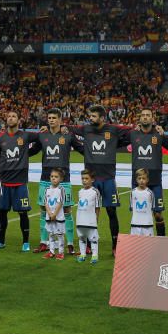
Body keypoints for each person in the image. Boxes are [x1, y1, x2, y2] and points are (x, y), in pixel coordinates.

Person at [65, 105, 131, 254]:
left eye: (94, 116)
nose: (91, 118)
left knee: (111, 211)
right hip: (91, 179)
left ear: (102, 118)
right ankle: (88, 245)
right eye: (91, 116)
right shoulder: (86, 129)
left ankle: (115, 246)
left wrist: (117, 143)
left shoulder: (113, 130)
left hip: (108, 178)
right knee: (89, 211)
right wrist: (63, 127)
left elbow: (130, 132)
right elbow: (71, 129)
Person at [33, 108, 82, 254]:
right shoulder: (42, 135)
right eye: (49, 118)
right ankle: (44, 242)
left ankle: (70, 244)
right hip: (45, 178)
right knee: (43, 209)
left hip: (64, 179)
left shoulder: (68, 135)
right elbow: (33, 150)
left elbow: (82, 149)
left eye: (54, 118)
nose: (51, 120)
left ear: (60, 120)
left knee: (66, 210)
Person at [0, 110, 41, 252]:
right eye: (9, 116)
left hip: (20, 182)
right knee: (2, 212)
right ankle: (1, 241)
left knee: (23, 213)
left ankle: (25, 242)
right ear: (6, 120)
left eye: (14, 116)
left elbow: (41, 140)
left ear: (19, 120)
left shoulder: (25, 135)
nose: (11, 118)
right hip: (4, 182)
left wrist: (27, 153)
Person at [129, 108, 168, 237]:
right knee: (137, 212)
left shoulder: (159, 134)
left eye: (148, 115)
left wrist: (164, 133)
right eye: (143, 115)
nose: (145, 117)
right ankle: (137, 242)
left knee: (158, 214)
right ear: (139, 118)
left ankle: (161, 241)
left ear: (152, 119)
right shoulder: (133, 134)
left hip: (155, 180)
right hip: (137, 180)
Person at [75, 169, 101, 264]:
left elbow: (98, 207)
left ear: (92, 180)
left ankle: (94, 255)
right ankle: (82, 254)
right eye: (83, 178)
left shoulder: (95, 192)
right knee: (81, 238)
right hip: (80, 220)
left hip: (90, 220)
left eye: (86, 178)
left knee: (93, 238)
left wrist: (96, 219)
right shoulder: (80, 191)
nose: (84, 180)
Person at [43, 168, 68, 258]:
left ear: (61, 179)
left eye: (56, 177)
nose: (53, 178)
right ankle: (51, 251)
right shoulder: (47, 189)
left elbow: (60, 203)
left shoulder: (61, 189)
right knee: (51, 234)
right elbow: (45, 202)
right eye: (52, 176)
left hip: (59, 217)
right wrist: (49, 213)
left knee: (60, 235)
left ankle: (61, 253)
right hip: (49, 216)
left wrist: (54, 214)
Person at [129, 169, 156, 237]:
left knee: (148, 246)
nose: (141, 180)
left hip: (147, 225)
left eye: (143, 178)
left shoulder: (150, 193)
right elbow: (132, 208)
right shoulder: (133, 192)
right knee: (135, 245)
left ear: (147, 180)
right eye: (139, 178)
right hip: (135, 225)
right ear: (136, 180)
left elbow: (152, 209)